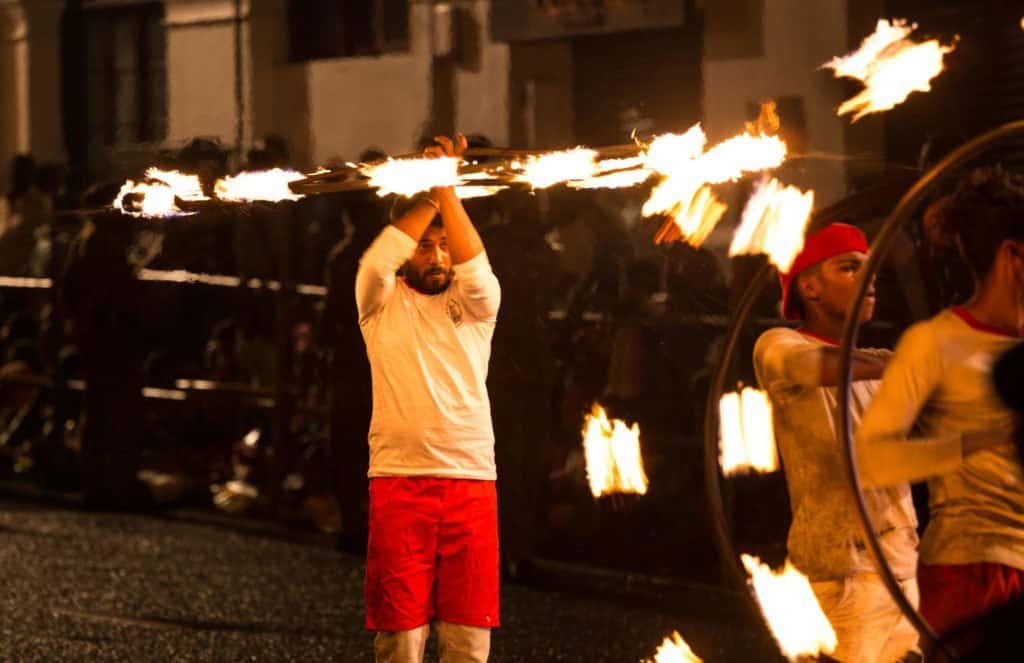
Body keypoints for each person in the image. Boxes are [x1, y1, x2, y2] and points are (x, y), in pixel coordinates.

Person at [856, 166, 1023, 649]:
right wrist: (980, 442)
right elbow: (873, 458)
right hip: (970, 572)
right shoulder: (935, 343)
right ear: (1012, 254)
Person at [355, 133, 501, 663]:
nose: (438, 255)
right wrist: (434, 184)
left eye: (444, 244)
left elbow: (477, 267)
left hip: (471, 480)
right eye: (424, 244)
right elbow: (376, 261)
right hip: (399, 480)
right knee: (401, 638)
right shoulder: (378, 300)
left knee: (468, 638)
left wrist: (443, 182)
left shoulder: (479, 302)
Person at [753, 223, 921, 663]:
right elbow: (814, 366)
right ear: (809, 287)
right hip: (841, 576)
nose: (869, 282)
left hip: (900, 569)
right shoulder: (777, 345)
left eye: (871, 271)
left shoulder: (881, 368)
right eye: (849, 268)